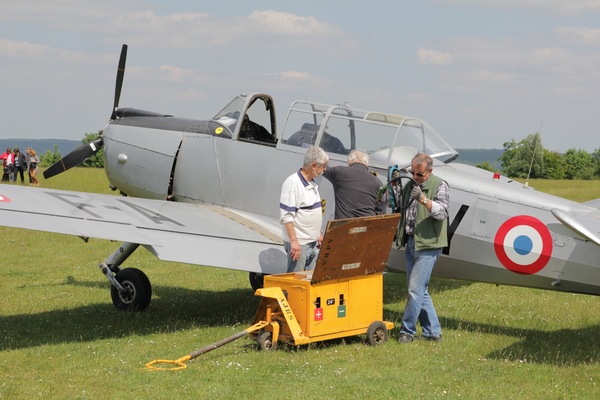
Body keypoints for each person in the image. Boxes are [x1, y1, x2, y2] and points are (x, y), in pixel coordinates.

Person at [397, 153, 449, 343]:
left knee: (414, 290)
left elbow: (442, 212)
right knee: (420, 290)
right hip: (412, 242)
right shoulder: (410, 184)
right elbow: (401, 208)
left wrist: (423, 199)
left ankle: (407, 332)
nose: (415, 177)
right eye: (413, 173)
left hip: (428, 245)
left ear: (430, 171)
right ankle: (433, 333)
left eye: (419, 174)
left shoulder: (439, 185)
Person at [279, 146, 329, 273]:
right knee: (296, 281)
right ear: (313, 165)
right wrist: (294, 242)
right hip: (300, 245)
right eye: (323, 165)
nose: (324, 169)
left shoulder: (312, 183)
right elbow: (286, 216)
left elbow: (312, 211)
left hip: (312, 243)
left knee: (307, 281)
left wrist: (318, 233)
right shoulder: (293, 183)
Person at [322, 149, 385, 219]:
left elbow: (323, 168)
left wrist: (324, 158)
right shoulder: (377, 182)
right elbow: (381, 211)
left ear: (349, 162)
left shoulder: (339, 172)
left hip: (343, 226)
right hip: (367, 226)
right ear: (366, 164)